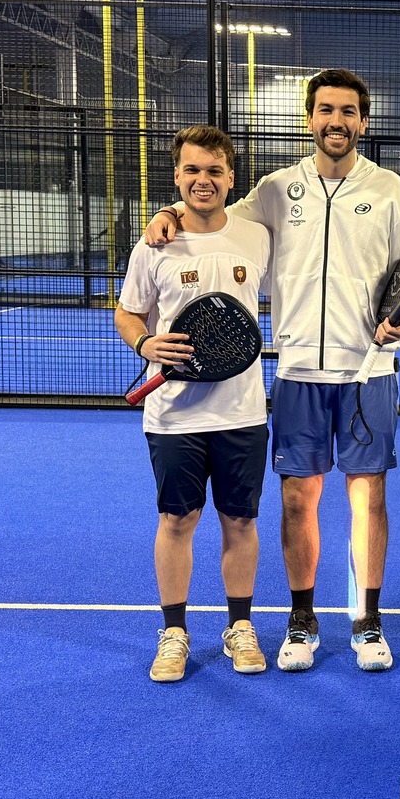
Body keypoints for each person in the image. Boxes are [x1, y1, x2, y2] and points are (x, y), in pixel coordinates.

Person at [142, 69, 400, 673]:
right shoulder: (275, 189)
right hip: (296, 373)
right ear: (310, 118)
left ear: (363, 121)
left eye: (348, 111)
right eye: (326, 110)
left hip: (369, 371)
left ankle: (367, 621)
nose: (336, 121)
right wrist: (168, 210)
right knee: (298, 500)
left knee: (368, 498)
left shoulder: (389, 188)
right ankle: (302, 618)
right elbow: (212, 215)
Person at [114, 126, 272, 684]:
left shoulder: (257, 236)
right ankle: (174, 632)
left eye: (214, 171)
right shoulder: (153, 243)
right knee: (177, 519)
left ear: (231, 178)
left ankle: (240, 627)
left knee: (240, 520)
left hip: (242, 412)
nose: (203, 180)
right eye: (192, 170)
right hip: (174, 415)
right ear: (177, 175)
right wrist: (144, 344)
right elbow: (128, 311)